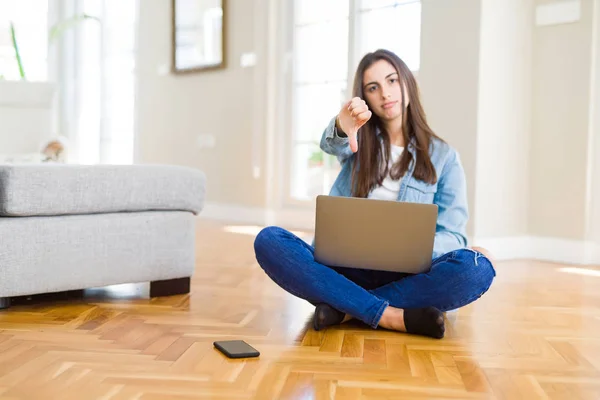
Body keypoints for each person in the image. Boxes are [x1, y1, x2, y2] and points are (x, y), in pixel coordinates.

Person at [253, 49, 496, 339]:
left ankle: (344, 307)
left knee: (477, 268)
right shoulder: (359, 143)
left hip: (409, 275)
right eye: (373, 87)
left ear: (407, 82)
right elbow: (332, 145)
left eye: (392, 80)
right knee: (268, 240)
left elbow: (453, 235)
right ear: (365, 97)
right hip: (346, 267)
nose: (385, 93)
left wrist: (404, 248)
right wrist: (344, 126)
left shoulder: (444, 157)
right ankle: (391, 315)